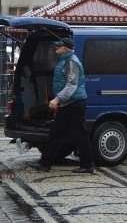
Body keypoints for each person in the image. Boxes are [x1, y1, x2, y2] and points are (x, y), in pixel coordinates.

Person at [30, 37, 94, 173]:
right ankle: (45, 163)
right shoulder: (65, 61)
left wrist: (57, 99)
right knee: (56, 134)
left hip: (74, 103)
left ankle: (87, 165)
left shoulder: (71, 63)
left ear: (65, 49)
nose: (55, 48)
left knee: (80, 134)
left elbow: (71, 85)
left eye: (58, 46)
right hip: (68, 103)